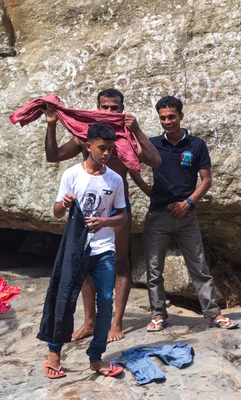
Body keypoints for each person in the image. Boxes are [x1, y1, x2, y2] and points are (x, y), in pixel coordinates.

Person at [44, 89, 161, 342]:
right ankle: (89, 322)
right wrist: (52, 124)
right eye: (104, 107)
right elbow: (53, 156)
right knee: (86, 263)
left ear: (122, 110)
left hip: (116, 208)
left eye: (114, 108)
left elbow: (155, 161)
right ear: (96, 108)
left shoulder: (127, 136)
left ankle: (116, 323)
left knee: (119, 262)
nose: (109, 112)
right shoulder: (87, 136)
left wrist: (137, 129)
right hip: (86, 211)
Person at [144, 96, 238, 332]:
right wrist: (148, 190)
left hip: (186, 216)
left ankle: (213, 314)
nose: (167, 121)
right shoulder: (153, 143)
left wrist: (188, 202)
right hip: (158, 215)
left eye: (171, 117)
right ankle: (158, 315)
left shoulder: (196, 145)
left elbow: (206, 181)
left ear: (181, 116)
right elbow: (132, 164)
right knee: (154, 268)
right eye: (163, 118)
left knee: (199, 266)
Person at [42, 122, 126, 378]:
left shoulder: (115, 179)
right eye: (102, 148)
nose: (106, 154)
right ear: (88, 146)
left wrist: (105, 222)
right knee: (65, 297)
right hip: (76, 248)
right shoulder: (72, 175)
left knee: (106, 300)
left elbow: (122, 216)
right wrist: (65, 204)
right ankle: (54, 353)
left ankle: (96, 357)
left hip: (103, 248)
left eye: (110, 149)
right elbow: (57, 212)